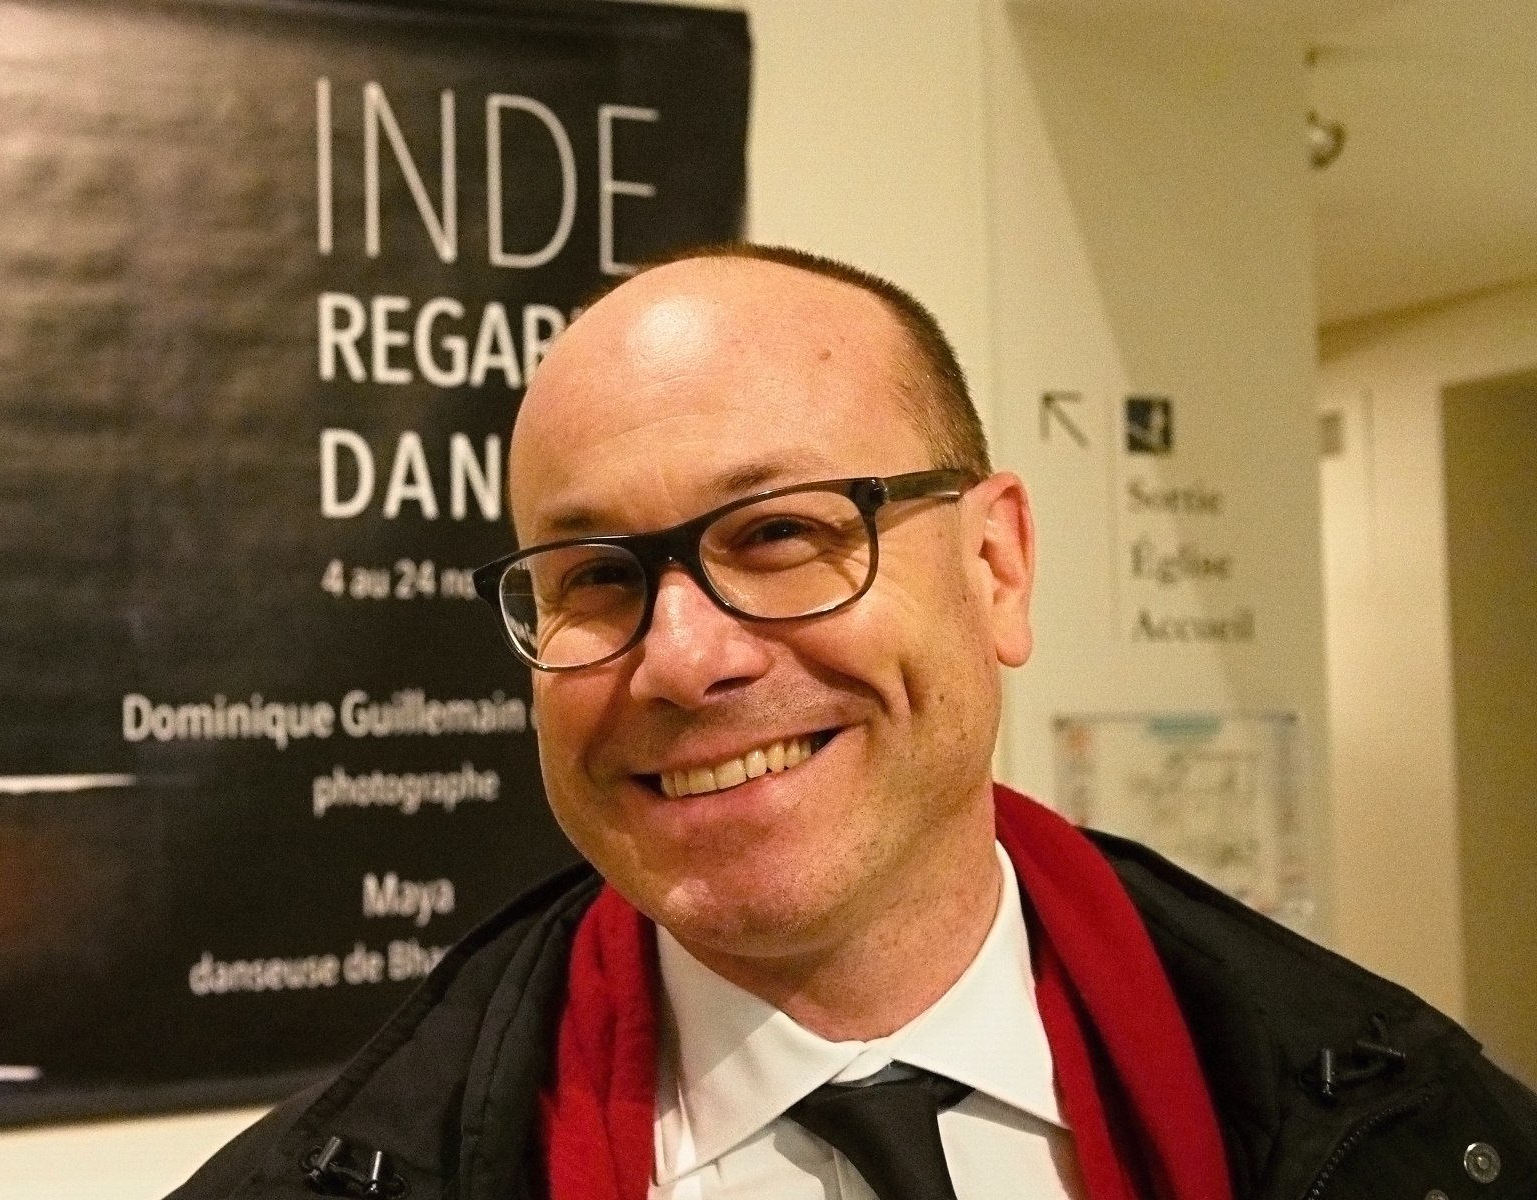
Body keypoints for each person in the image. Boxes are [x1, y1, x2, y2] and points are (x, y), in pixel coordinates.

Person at [170, 246, 1536, 1200]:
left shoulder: (1422, 1142)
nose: (682, 661)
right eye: (595, 577)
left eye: (778, 533)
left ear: (996, 567)